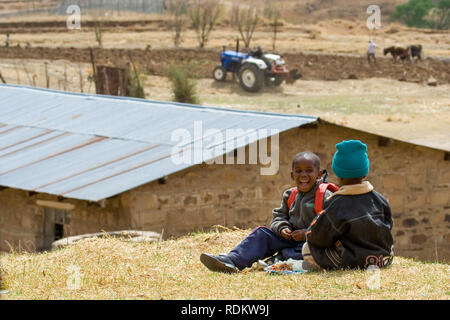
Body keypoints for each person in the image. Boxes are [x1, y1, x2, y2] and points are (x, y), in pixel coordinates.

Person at [200, 151, 334, 273]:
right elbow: (279, 216)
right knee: (261, 234)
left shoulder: (324, 195)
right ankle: (232, 260)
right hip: (289, 239)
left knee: (300, 251)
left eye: (309, 171)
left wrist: (305, 234)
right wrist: (282, 228)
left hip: (310, 242)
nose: (303, 175)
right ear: (292, 175)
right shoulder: (290, 194)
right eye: (298, 171)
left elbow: (328, 226)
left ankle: (278, 260)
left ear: (319, 174)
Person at [301, 140, 394, 271]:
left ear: (339, 175)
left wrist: (308, 233)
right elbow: (388, 226)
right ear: (365, 172)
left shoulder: (336, 203)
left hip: (355, 261)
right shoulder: (380, 199)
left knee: (307, 248)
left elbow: (318, 237)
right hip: (383, 258)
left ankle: (315, 266)